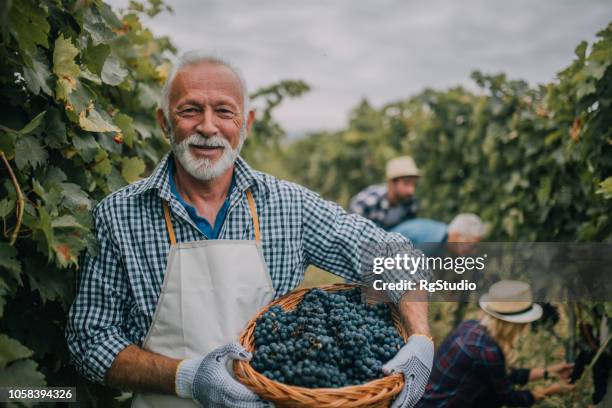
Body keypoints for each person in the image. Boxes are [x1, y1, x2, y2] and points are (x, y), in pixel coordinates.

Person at [65, 51, 434, 408]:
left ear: (247, 123)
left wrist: (421, 339)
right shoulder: (119, 215)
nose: (208, 127)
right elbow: (91, 341)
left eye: (224, 111)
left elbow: (394, 256)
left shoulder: (290, 205)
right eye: (190, 110)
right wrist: (187, 378)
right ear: (164, 122)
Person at [417, 280, 575, 407]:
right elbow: (510, 398)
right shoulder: (487, 350)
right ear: (515, 325)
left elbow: (501, 375)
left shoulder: (471, 327)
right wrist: (552, 390)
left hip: (424, 402)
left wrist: (548, 372)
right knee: (492, 398)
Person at [349, 156, 419, 230]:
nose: (411, 190)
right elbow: (351, 233)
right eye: (406, 184)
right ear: (392, 183)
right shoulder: (367, 202)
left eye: (414, 184)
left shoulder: (410, 202)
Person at [390, 213, 486, 246]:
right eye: (471, 246)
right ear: (457, 236)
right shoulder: (430, 240)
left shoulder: (442, 236)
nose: (472, 251)